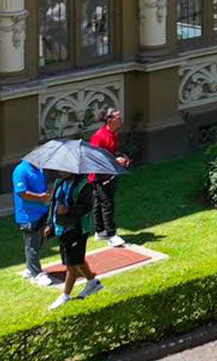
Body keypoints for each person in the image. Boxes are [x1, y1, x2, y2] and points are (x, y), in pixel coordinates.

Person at [48, 173, 104, 310]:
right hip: (62, 228)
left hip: (77, 229)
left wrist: (68, 209)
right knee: (77, 259)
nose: (60, 171)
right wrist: (49, 224)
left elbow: (87, 207)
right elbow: (53, 204)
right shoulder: (59, 183)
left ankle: (65, 296)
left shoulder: (85, 186)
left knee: (71, 265)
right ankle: (93, 283)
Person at [89, 106, 131, 248]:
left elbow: (111, 151)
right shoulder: (99, 136)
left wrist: (120, 157)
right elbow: (95, 157)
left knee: (99, 202)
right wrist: (115, 160)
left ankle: (99, 231)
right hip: (99, 176)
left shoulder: (114, 133)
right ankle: (111, 235)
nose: (120, 119)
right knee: (107, 203)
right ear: (109, 120)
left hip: (109, 173)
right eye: (117, 117)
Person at [13, 160, 53, 287]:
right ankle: (36, 274)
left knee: (37, 241)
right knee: (32, 244)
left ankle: (30, 268)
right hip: (28, 215)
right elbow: (22, 193)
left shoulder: (39, 169)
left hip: (41, 211)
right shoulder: (21, 170)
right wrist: (40, 197)